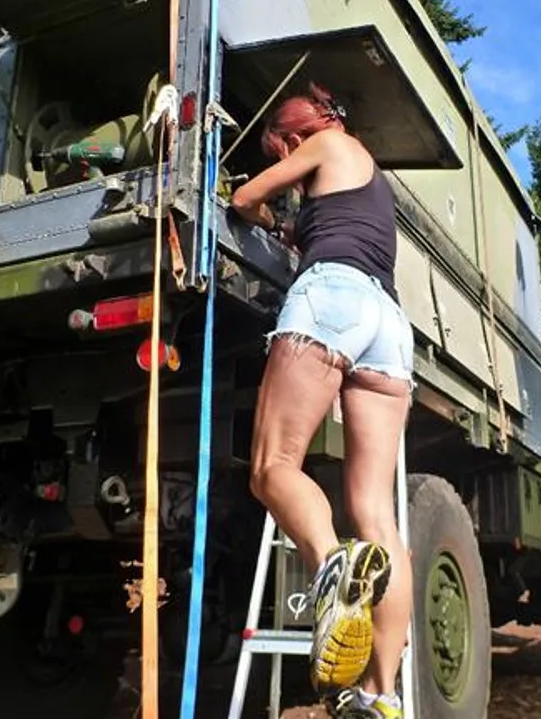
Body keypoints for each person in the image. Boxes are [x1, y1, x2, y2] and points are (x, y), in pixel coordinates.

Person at [230, 83, 414, 719]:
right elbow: (308, 226)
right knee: (378, 516)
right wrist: (291, 225)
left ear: (293, 136)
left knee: (272, 467)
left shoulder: (326, 143)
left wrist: (261, 208)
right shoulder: (365, 181)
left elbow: (245, 196)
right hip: (389, 323)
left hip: (331, 297)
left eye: (280, 146)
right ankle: (381, 694)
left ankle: (333, 568)